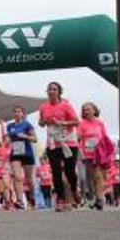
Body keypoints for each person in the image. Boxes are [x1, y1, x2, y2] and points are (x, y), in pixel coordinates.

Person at [38, 81, 80, 212]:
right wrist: (43, 122)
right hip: (53, 143)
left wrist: (62, 122)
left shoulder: (66, 105)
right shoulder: (44, 107)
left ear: (59, 92)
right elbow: (40, 123)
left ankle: (74, 190)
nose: (51, 91)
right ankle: (60, 200)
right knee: (56, 172)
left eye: (54, 89)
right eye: (49, 89)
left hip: (68, 142)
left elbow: (76, 122)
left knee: (70, 171)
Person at [76, 102, 112, 211]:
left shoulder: (100, 123)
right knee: (90, 177)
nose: (86, 111)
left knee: (98, 176)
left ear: (94, 110)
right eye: (84, 110)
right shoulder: (81, 124)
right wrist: (79, 151)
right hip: (87, 153)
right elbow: (77, 138)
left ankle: (100, 199)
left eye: (88, 109)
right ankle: (92, 198)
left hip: (98, 153)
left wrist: (107, 152)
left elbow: (104, 138)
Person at [5, 104, 37, 210]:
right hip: (15, 154)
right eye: (15, 111)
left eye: (19, 111)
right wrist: (6, 141)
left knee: (29, 180)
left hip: (27, 153)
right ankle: (20, 201)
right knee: (17, 177)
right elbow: (9, 138)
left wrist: (26, 136)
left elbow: (35, 139)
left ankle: (32, 197)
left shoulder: (27, 125)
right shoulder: (10, 126)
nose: (17, 113)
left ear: (23, 114)